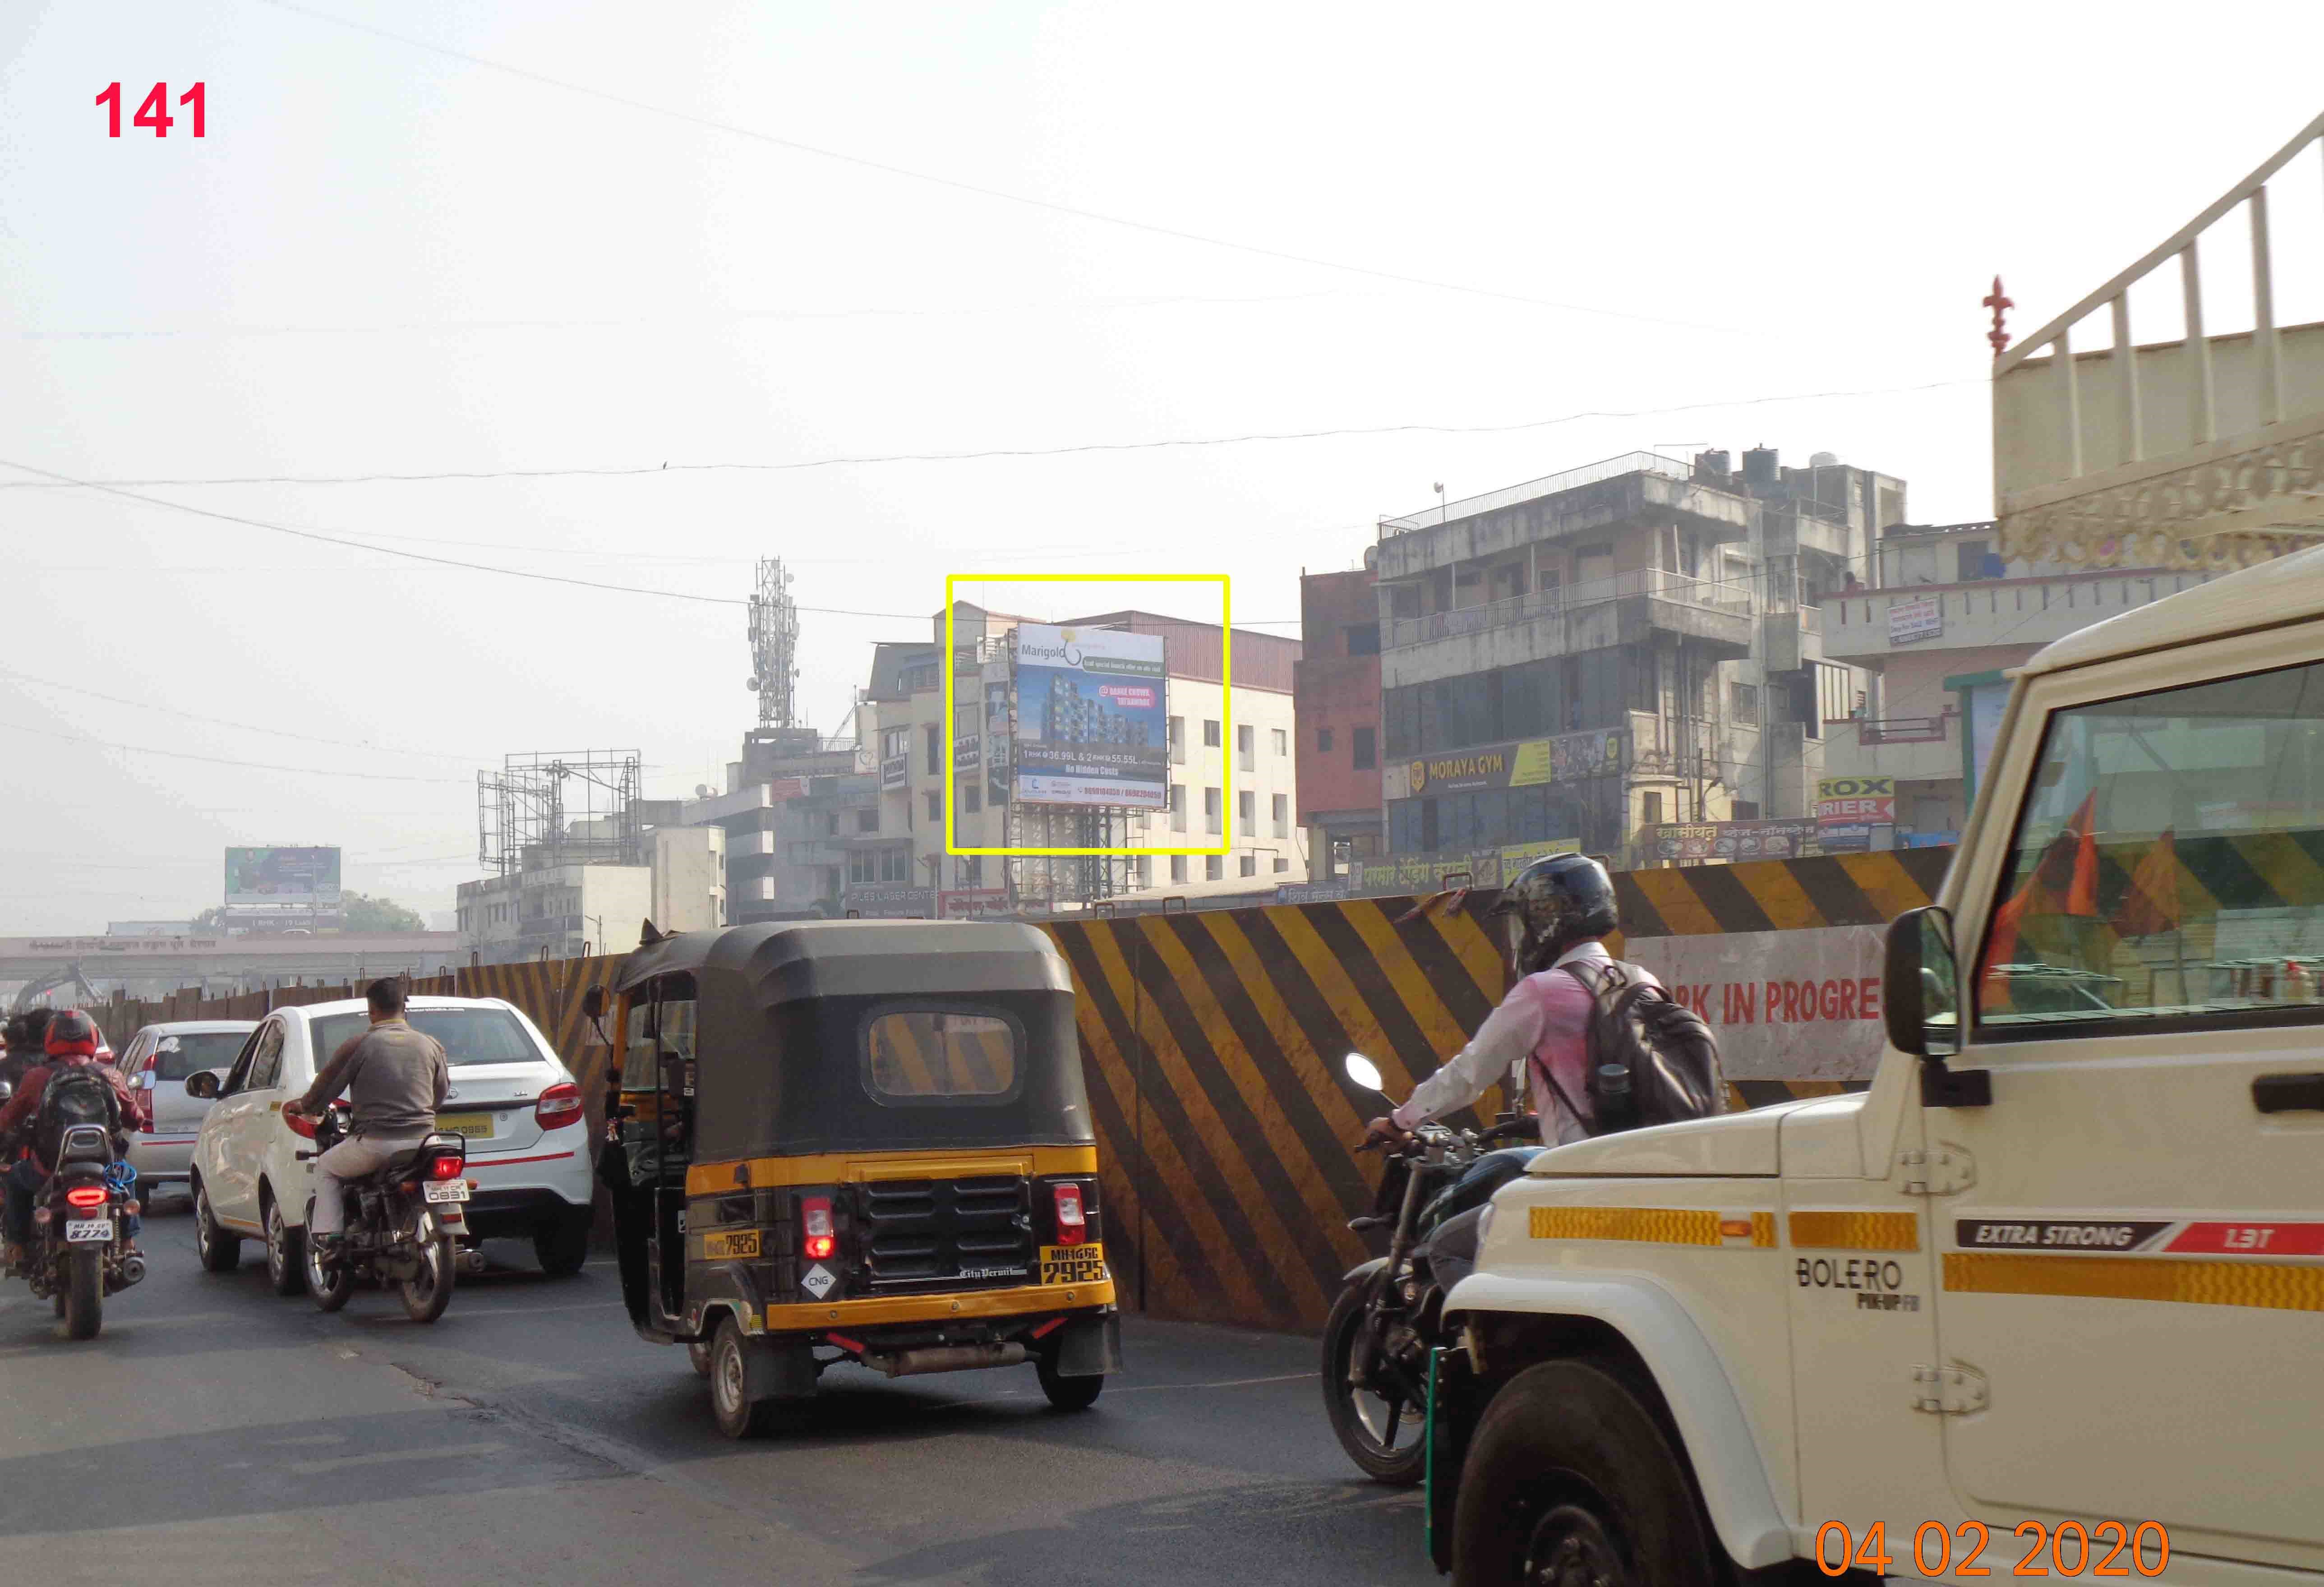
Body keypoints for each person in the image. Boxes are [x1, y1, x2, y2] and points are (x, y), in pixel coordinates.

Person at [1364, 852, 1653, 1150]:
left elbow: (1470, 1072)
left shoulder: (1544, 991)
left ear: (1546, 919)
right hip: (1650, 1163)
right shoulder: (1642, 980)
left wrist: (1400, 1122)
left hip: (1580, 1171)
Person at [283, 978, 448, 1257]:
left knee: (326, 1167)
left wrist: (304, 1107)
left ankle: (333, 1241)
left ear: (372, 1010)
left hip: (377, 1144)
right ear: (403, 1009)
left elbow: (323, 1093)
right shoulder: (431, 1045)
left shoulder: (359, 1045)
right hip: (426, 1141)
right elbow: (440, 1094)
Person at [0, 1009, 145, 1274]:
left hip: (49, 1169)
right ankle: (127, 1242)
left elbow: (8, 1119)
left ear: (51, 1039)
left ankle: (18, 1248)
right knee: (126, 1176)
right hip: (105, 1170)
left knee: (15, 1180)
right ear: (91, 1038)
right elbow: (136, 1119)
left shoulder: (36, 1077)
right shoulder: (110, 1075)